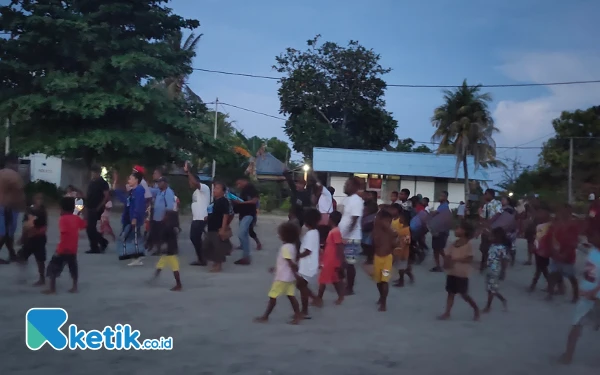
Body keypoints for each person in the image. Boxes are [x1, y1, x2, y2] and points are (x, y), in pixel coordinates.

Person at [558, 204, 600, 365]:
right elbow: (579, 244)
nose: (591, 237)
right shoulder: (593, 251)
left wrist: (593, 293)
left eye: (595, 235)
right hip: (587, 295)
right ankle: (568, 355)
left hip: (595, 296)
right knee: (576, 325)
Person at [254, 222, 302, 324]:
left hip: (282, 278)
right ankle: (298, 315)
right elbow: (288, 262)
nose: (278, 235)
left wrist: (297, 274)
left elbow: (290, 263)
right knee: (291, 296)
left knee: (273, 296)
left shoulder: (285, 248)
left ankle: (265, 316)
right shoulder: (292, 246)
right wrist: (276, 268)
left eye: (280, 234)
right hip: (289, 277)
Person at [43, 197, 86, 294]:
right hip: (73, 248)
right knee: (73, 267)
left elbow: (64, 232)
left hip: (63, 248)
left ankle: (52, 289)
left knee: (53, 267)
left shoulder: (62, 219)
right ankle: (74, 287)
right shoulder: (76, 218)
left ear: (62, 208)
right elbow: (83, 225)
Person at [439, 220, 480, 321]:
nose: (456, 230)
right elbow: (447, 255)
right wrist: (446, 262)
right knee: (450, 293)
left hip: (462, 274)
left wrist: (455, 260)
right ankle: (447, 312)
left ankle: (476, 309)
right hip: (452, 272)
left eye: (458, 228)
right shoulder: (453, 243)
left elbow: (470, 259)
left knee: (464, 295)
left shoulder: (468, 245)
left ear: (464, 231)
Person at [547, 204, 580, 303]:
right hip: (556, 253)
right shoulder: (557, 223)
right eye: (562, 210)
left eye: (566, 211)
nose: (563, 213)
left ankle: (576, 296)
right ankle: (550, 294)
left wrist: (565, 253)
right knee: (553, 275)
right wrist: (553, 251)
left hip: (568, 255)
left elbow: (574, 241)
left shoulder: (573, 224)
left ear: (570, 212)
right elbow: (552, 237)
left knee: (571, 276)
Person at [112, 171, 147, 265]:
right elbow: (126, 201)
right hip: (128, 219)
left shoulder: (139, 191)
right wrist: (115, 185)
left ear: (136, 180)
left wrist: (135, 218)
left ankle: (136, 257)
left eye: (131, 178)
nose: (129, 180)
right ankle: (136, 256)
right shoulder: (132, 192)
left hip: (133, 219)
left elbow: (139, 205)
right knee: (134, 237)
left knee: (131, 238)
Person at [313, 211, 345, 307]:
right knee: (335, 279)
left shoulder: (335, 232)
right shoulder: (333, 231)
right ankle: (340, 296)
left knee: (323, 279)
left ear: (331, 220)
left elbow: (339, 246)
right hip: (329, 259)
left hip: (331, 260)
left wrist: (341, 261)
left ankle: (319, 298)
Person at [16, 193, 48, 286]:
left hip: (39, 238)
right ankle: (23, 276)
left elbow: (44, 227)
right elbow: (25, 225)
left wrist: (36, 232)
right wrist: (22, 237)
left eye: (41, 199)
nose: (39, 201)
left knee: (40, 260)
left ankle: (42, 278)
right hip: (29, 238)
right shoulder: (29, 211)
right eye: (38, 199)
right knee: (22, 256)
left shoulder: (42, 212)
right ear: (34, 200)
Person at [184, 162, 211, 266]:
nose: (189, 183)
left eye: (190, 180)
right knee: (195, 238)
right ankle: (201, 257)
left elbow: (195, 183)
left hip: (202, 218)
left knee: (195, 237)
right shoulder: (195, 192)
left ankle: (202, 259)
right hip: (196, 218)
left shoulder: (204, 188)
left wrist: (188, 172)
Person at [340, 177, 363, 295]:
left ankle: (350, 288)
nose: (345, 186)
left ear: (354, 187)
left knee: (350, 263)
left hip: (352, 237)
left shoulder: (356, 200)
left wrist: (346, 235)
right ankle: (344, 283)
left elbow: (354, 220)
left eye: (347, 184)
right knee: (342, 261)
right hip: (344, 236)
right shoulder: (347, 199)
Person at [296, 208, 321, 319]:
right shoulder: (313, 232)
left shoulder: (311, 234)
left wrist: (296, 257)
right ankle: (314, 298)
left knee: (302, 287)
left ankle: (305, 311)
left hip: (307, 265)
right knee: (301, 285)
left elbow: (308, 251)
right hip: (308, 264)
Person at [0, 153, 25, 263]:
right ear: (13, 163)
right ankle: (12, 254)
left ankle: (12, 253)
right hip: (8, 207)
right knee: (5, 232)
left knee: (8, 233)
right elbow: (20, 193)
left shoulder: (1, 173)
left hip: (3, 206)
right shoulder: (14, 175)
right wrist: (25, 208)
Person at [203, 182, 232, 273]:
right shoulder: (215, 201)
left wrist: (223, 229)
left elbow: (225, 215)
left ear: (223, 191)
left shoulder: (224, 201)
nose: (214, 190)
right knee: (207, 246)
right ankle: (215, 262)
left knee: (218, 247)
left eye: (217, 188)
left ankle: (218, 265)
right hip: (211, 227)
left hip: (217, 228)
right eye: (214, 188)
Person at [151, 211, 182, 291]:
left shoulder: (168, 227)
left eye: (165, 215)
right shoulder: (173, 227)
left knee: (174, 267)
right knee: (162, 262)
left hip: (169, 250)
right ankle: (155, 277)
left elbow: (164, 239)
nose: (164, 216)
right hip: (171, 249)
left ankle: (178, 284)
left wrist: (162, 246)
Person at [371, 210, 396, 312]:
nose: (376, 219)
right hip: (377, 258)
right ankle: (381, 297)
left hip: (387, 259)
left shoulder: (391, 231)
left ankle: (384, 303)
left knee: (384, 281)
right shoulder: (376, 229)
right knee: (378, 281)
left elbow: (395, 241)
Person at [232, 177, 259, 265]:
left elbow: (255, 201)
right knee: (244, 235)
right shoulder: (243, 190)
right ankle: (246, 256)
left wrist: (241, 203)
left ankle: (246, 256)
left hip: (249, 214)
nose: (238, 186)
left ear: (244, 181)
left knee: (241, 233)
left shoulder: (251, 188)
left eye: (239, 183)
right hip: (243, 214)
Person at [483, 227, 510, 313]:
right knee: (490, 288)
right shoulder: (492, 245)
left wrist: (503, 271)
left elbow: (504, 260)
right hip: (489, 268)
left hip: (495, 270)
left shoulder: (502, 248)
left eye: (493, 236)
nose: (492, 237)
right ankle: (502, 300)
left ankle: (488, 307)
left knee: (491, 289)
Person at [146, 176, 175, 255]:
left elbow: (170, 206)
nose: (158, 184)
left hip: (164, 217)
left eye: (160, 182)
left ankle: (167, 250)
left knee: (164, 234)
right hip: (157, 217)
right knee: (157, 234)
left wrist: (166, 216)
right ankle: (158, 249)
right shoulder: (159, 191)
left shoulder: (168, 192)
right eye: (158, 182)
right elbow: (149, 191)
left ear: (165, 183)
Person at [85, 164, 110, 254]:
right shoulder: (92, 182)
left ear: (98, 173)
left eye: (94, 172)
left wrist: (99, 206)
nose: (93, 174)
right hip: (89, 207)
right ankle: (102, 242)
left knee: (90, 228)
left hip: (96, 208)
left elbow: (106, 196)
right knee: (89, 228)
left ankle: (95, 247)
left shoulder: (103, 183)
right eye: (92, 172)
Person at [528, 203, 552, 292]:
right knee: (541, 268)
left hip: (544, 250)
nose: (539, 214)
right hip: (538, 249)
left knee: (542, 268)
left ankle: (535, 285)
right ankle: (547, 285)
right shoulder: (539, 224)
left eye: (541, 212)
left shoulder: (549, 225)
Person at [479, 189, 503, 272]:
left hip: (494, 228)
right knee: (483, 247)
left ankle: (488, 264)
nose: (484, 196)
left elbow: (498, 213)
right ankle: (484, 262)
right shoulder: (486, 205)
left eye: (486, 194)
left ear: (490, 195)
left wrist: (489, 222)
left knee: (492, 246)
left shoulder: (497, 203)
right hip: (486, 228)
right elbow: (482, 216)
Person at [429, 191, 452, 272]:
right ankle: (446, 263)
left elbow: (436, 214)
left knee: (437, 250)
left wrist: (430, 213)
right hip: (440, 231)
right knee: (439, 249)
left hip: (440, 232)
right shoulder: (441, 206)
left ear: (445, 197)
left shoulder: (444, 206)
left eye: (441, 196)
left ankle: (438, 266)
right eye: (440, 195)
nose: (439, 197)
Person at [390, 204, 413, 287]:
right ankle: (403, 278)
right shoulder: (402, 228)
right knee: (399, 266)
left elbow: (407, 242)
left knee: (401, 267)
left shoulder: (406, 230)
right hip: (397, 249)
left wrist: (403, 251)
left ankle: (402, 281)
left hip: (402, 251)